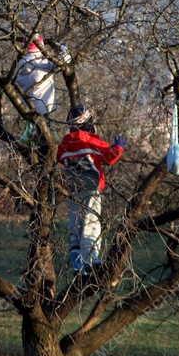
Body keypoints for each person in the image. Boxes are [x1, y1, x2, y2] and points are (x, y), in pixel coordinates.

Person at [56, 104, 128, 274]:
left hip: (74, 191)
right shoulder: (90, 140)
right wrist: (119, 147)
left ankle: (77, 263)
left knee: (75, 228)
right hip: (91, 189)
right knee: (91, 224)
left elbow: (58, 157)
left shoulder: (64, 145)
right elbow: (109, 157)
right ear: (87, 121)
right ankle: (90, 262)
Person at [15, 34, 69, 142]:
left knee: (31, 142)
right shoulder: (40, 63)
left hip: (29, 109)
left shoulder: (21, 63)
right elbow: (66, 61)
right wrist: (62, 49)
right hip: (43, 111)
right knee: (50, 142)